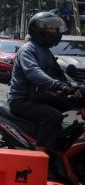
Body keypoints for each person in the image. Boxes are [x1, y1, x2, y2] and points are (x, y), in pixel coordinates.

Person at [8, 11, 78, 152]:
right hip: (22, 100)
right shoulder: (28, 49)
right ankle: (40, 158)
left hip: (39, 96)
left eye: (55, 29)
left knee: (73, 103)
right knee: (53, 116)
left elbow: (58, 73)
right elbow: (33, 72)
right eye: (50, 28)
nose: (54, 32)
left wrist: (75, 87)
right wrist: (58, 85)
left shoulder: (45, 50)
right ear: (38, 29)